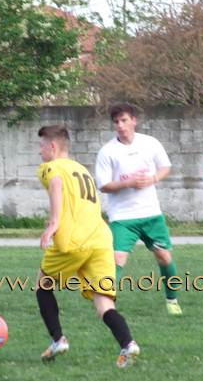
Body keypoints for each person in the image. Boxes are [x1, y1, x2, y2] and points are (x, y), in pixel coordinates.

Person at [35, 125, 140, 368]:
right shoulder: (81, 169)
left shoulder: (51, 167)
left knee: (42, 285)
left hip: (74, 240)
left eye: (41, 146)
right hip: (101, 239)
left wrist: (54, 222)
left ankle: (58, 340)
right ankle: (128, 344)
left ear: (52, 146)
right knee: (104, 303)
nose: (39, 151)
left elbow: (56, 183)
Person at [95, 103, 182, 316]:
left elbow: (165, 167)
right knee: (116, 259)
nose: (120, 125)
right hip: (122, 217)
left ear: (134, 120)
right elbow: (103, 185)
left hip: (151, 214)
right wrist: (128, 183)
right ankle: (108, 304)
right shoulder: (107, 151)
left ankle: (172, 301)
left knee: (164, 257)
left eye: (124, 120)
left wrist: (152, 178)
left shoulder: (150, 143)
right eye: (116, 122)